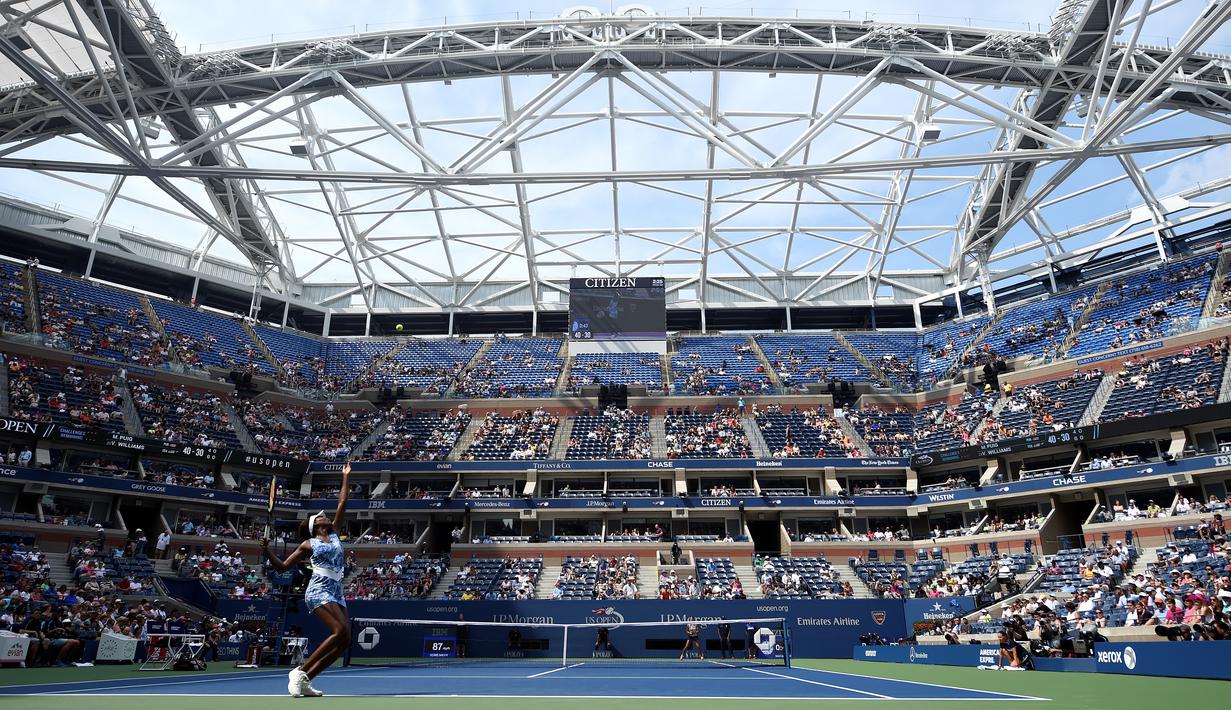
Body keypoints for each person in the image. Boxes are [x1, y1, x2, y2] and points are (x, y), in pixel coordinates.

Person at [261, 461, 352, 697]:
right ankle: (299, 671)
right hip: (318, 590)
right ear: (315, 526)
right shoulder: (307, 544)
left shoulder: (335, 535)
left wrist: (345, 477)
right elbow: (282, 568)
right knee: (339, 629)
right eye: (321, 517)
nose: (326, 517)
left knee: (345, 640)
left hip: (336, 590)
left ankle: (306, 679)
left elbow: (342, 502)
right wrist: (267, 551)